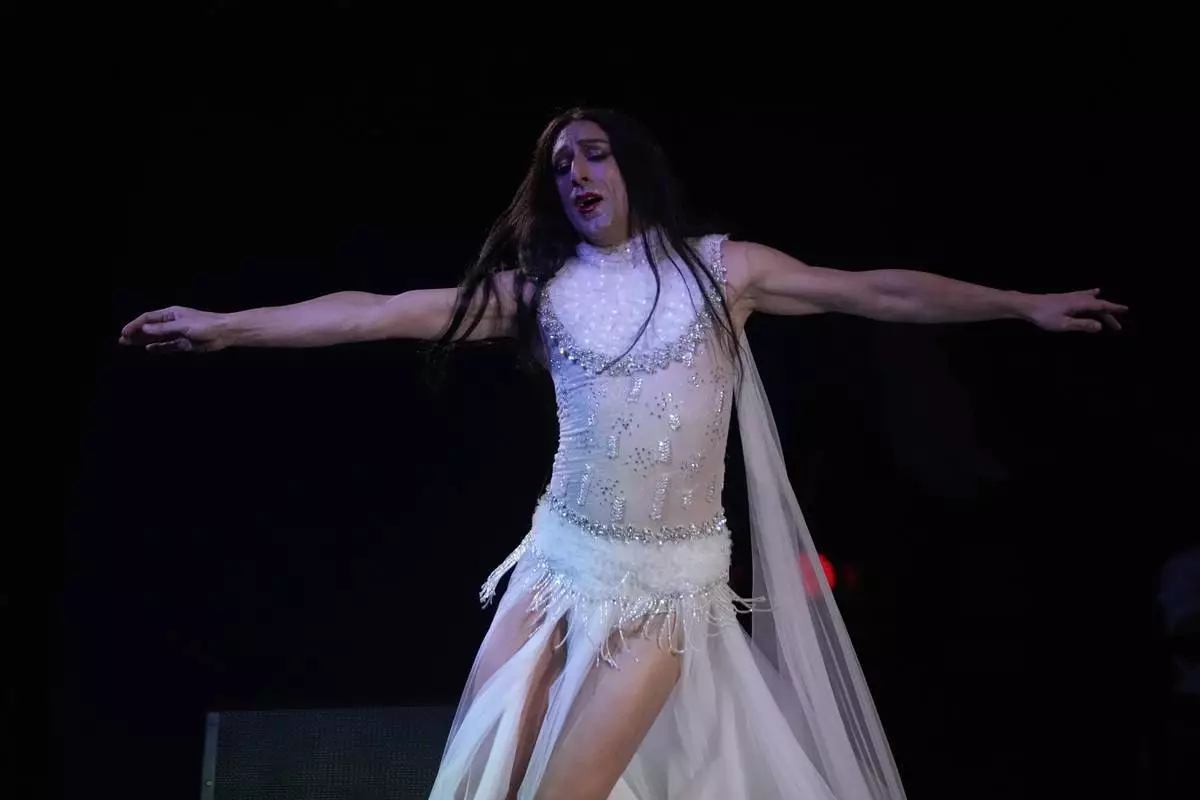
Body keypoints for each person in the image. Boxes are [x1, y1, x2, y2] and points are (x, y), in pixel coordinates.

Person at [120, 108, 1127, 800]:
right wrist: (226, 326)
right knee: (479, 782)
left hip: (667, 590)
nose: (576, 175)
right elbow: (379, 312)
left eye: (592, 155)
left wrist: (1021, 305)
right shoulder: (541, 292)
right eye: (560, 166)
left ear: (632, 167)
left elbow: (880, 291)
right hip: (557, 568)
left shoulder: (727, 271)